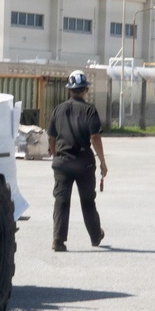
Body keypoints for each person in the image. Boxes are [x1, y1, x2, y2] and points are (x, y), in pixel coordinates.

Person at [47, 69, 108, 252]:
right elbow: (95, 137)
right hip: (83, 163)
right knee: (88, 201)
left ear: (69, 90)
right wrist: (103, 162)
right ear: (85, 90)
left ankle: (58, 240)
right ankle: (96, 236)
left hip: (62, 162)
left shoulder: (58, 109)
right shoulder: (89, 110)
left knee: (61, 200)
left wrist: (54, 151)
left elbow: (51, 135)